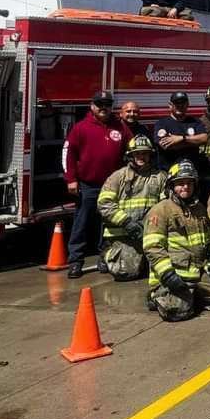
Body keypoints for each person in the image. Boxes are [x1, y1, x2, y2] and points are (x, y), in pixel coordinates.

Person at [143, 161, 210, 320]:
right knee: (177, 311)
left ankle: (191, 295)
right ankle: (157, 295)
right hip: (173, 275)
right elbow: (152, 247)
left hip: (197, 272)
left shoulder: (199, 209)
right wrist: (167, 275)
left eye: (189, 183)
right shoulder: (160, 210)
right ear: (171, 186)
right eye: (180, 184)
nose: (185, 187)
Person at [62, 90, 132, 278]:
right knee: (81, 223)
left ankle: (105, 258)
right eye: (99, 104)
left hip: (112, 186)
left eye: (107, 104)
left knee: (107, 225)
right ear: (92, 106)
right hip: (87, 185)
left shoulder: (120, 127)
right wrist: (71, 179)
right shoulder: (81, 128)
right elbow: (68, 153)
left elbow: (132, 149)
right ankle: (76, 261)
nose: (103, 108)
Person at [97, 135, 166, 281]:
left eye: (145, 153)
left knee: (164, 268)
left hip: (149, 233)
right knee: (127, 273)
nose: (141, 156)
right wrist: (126, 222)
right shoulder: (118, 177)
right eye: (137, 153)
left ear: (150, 155)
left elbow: (166, 206)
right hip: (122, 235)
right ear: (130, 155)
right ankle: (107, 253)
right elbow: (104, 204)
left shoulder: (160, 177)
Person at [152, 92, 208, 173]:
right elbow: (165, 145)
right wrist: (193, 143)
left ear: (188, 104)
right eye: (176, 103)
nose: (180, 105)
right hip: (168, 172)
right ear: (170, 105)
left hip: (191, 172)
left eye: (183, 103)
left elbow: (204, 138)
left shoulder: (195, 122)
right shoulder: (161, 124)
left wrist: (181, 138)